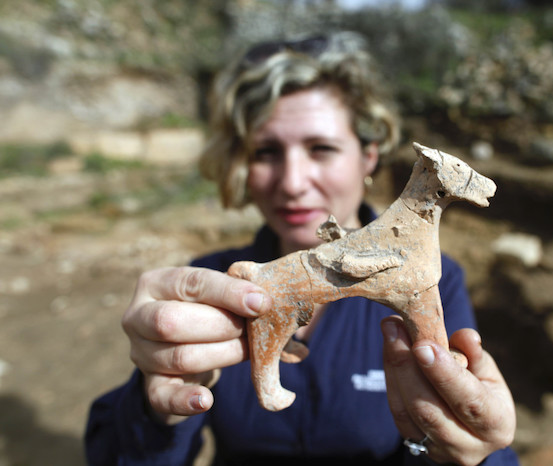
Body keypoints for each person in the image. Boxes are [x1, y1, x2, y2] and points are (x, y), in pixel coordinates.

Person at [85, 32, 518, 465]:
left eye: (322, 148)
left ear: (369, 157)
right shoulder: (212, 280)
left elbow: (458, 431)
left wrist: (473, 453)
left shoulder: (445, 277)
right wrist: (154, 405)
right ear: (242, 165)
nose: (292, 183)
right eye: (266, 152)